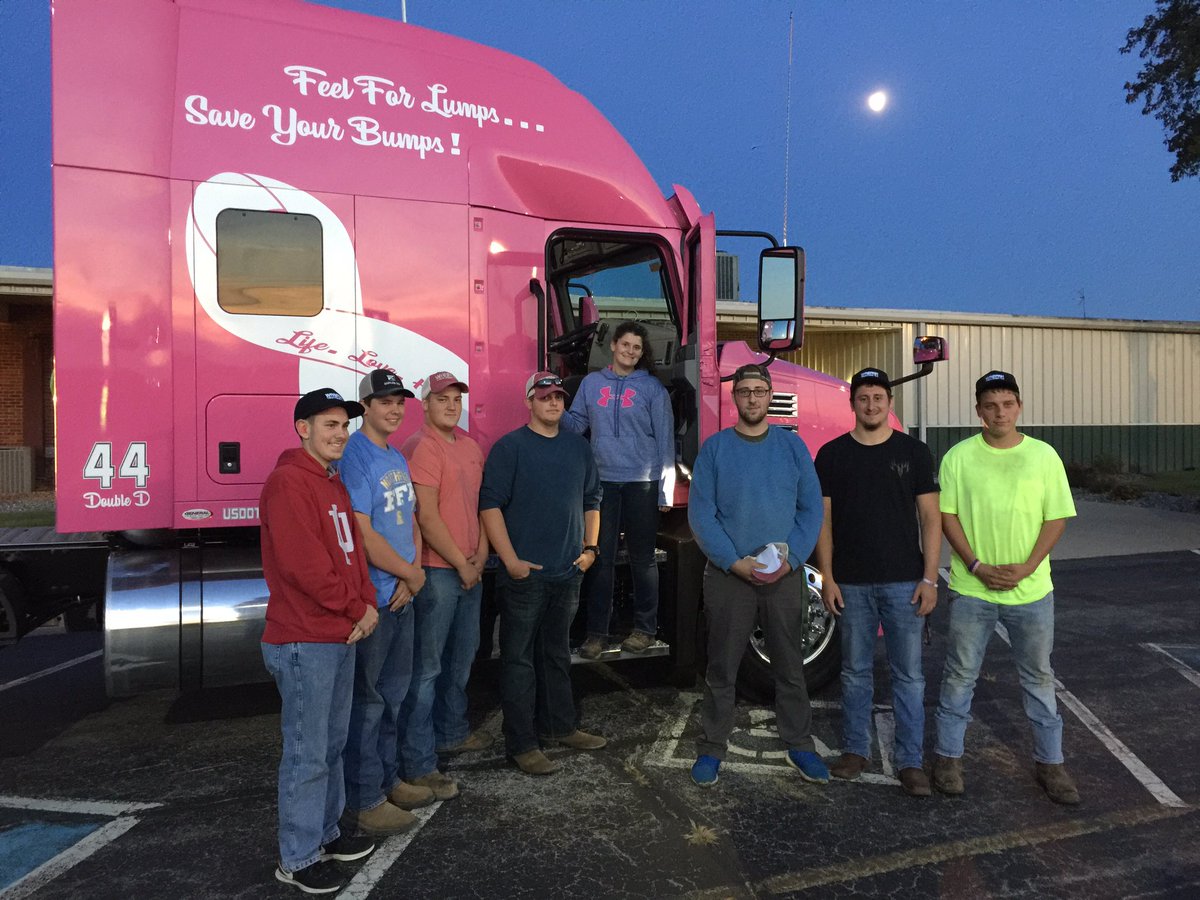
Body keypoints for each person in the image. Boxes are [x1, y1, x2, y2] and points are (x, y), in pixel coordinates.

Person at [932, 370, 1079, 805]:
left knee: (1038, 676)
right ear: (978, 411)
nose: (1000, 412)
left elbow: (1057, 518)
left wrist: (1028, 566)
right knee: (960, 675)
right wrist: (976, 565)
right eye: (990, 405)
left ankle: (1050, 763)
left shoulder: (1043, 456)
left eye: (1008, 404)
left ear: (1019, 407)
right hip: (972, 589)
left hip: (1031, 592)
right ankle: (948, 757)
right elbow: (948, 516)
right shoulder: (958, 457)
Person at [260, 387, 379, 894]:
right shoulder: (289, 483)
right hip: (304, 638)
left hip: (337, 633)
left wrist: (368, 601)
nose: (340, 433)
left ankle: (325, 834)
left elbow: (352, 556)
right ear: (302, 428)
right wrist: (358, 608)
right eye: (328, 424)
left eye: (344, 424)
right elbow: (304, 568)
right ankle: (297, 856)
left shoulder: (331, 483)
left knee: (330, 746)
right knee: (308, 753)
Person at [687, 363, 826, 787]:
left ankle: (800, 743)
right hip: (730, 577)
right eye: (744, 391)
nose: (752, 398)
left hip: (784, 577)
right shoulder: (715, 450)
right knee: (722, 667)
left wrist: (793, 558)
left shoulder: (792, 448)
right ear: (735, 399)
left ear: (770, 397)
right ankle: (712, 747)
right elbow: (701, 515)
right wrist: (733, 561)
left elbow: (811, 509)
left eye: (759, 391)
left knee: (790, 664)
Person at [813, 368, 941, 797]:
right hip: (851, 584)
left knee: (909, 677)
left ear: (889, 403)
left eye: (878, 398)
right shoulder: (831, 455)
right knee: (854, 672)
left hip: (905, 582)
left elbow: (930, 519)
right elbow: (824, 522)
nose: (871, 405)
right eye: (863, 398)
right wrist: (827, 577)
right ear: (853, 403)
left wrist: (930, 579)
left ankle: (910, 761)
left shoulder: (915, 453)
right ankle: (855, 750)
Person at [480, 371, 606, 775]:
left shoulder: (578, 449)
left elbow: (592, 500)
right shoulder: (509, 448)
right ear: (529, 401)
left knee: (556, 655)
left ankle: (559, 726)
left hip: (567, 572)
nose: (553, 403)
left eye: (559, 397)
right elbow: (490, 506)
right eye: (545, 396)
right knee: (518, 661)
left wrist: (590, 550)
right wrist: (511, 561)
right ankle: (521, 743)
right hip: (524, 578)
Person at [339, 370, 442, 833]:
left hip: (403, 592)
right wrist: (411, 573)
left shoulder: (396, 455)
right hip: (378, 599)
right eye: (384, 402)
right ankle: (364, 800)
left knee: (393, 696)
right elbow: (361, 534)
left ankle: (388, 780)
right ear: (364, 407)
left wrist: (412, 572)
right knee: (369, 701)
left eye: (399, 401)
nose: (395, 409)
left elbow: (412, 522)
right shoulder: (355, 457)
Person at [398, 371, 492, 796]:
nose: (452, 406)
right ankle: (419, 762)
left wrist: (483, 554)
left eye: (456, 398)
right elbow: (427, 517)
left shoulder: (471, 446)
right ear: (425, 405)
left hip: (470, 567)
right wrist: (462, 562)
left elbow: (483, 506)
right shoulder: (422, 447)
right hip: (439, 571)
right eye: (442, 399)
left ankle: (452, 730)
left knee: (463, 656)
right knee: (427, 668)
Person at [562, 320, 675, 658]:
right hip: (603, 483)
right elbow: (578, 424)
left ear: (642, 354)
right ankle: (597, 634)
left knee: (643, 559)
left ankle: (644, 629)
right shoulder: (592, 383)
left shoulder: (653, 389)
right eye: (625, 344)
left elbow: (665, 438)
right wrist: (548, 407)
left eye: (637, 348)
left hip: (643, 482)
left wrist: (664, 491)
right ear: (612, 346)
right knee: (601, 559)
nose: (630, 351)